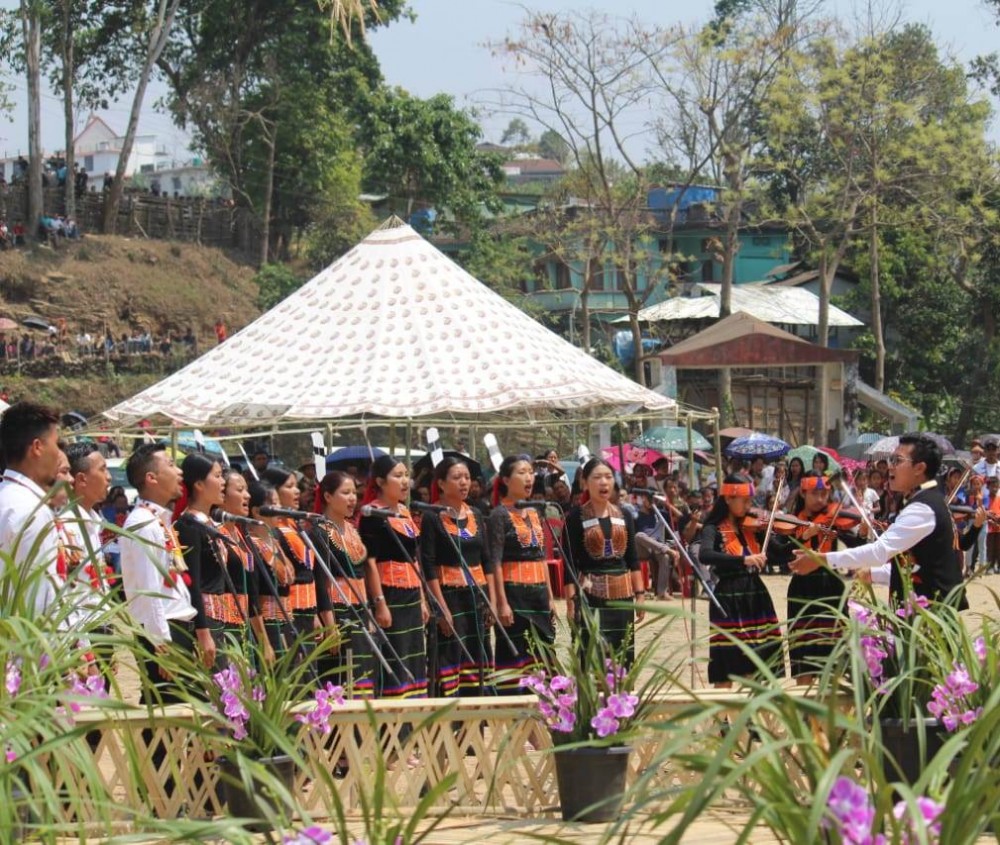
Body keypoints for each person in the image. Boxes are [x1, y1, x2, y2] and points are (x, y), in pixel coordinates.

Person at [791, 434, 968, 609]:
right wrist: (873, 574)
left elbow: (879, 552)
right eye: (891, 460)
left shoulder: (922, 508)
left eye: (897, 460)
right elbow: (915, 566)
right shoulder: (927, 501)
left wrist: (821, 559)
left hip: (930, 614)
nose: (890, 467)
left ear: (919, 468)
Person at [119, 443, 198, 690]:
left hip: (173, 625)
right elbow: (150, 590)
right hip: (164, 630)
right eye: (171, 465)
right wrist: (162, 644)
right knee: (170, 706)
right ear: (151, 478)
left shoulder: (157, 520)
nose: (179, 473)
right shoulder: (144, 523)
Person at [774, 472, 866, 682]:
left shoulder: (834, 519)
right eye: (815, 494)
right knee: (803, 655)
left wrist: (862, 532)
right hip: (802, 589)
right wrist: (803, 536)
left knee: (834, 655)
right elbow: (777, 555)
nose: (821, 499)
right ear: (803, 493)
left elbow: (857, 547)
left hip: (831, 587)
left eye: (825, 493)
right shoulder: (793, 521)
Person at [420, 456, 497, 697]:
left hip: (478, 596)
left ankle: (476, 718)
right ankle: (449, 723)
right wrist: (441, 608)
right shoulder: (432, 516)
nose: (464, 482)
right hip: (450, 597)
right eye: (456, 478)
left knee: (478, 653)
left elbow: (487, 560)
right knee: (450, 655)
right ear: (441, 484)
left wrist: (492, 601)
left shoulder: (475, 512)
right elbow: (428, 564)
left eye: (466, 477)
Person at [699, 475, 783, 686]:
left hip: (756, 595)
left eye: (750, 500)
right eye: (744, 500)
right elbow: (705, 555)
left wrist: (802, 536)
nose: (749, 506)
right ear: (728, 498)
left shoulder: (752, 527)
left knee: (760, 660)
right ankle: (722, 718)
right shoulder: (713, 528)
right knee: (727, 660)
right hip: (728, 596)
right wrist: (743, 559)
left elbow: (780, 553)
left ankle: (752, 715)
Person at [562, 458, 644, 666]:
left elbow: (633, 558)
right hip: (590, 595)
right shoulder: (575, 517)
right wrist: (571, 603)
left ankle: (621, 697)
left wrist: (640, 595)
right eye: (597, 477)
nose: (603, 483)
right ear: (585, 483)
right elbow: (569, 564)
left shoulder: (624, 514)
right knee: (592, 655)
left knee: (622, 655)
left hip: (622, 597)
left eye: (608, 477)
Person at [358, 455, 427, 699]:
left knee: (415, 653)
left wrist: (422, 599)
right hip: (390, 592)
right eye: (397, 476)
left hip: (411, 591)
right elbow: (370, 563)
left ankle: (417, 716)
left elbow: (415, 557)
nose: (405, 480)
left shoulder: (405, 511)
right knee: (396, 654)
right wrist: (380, 603)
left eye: (406, 475)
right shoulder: (373, 514)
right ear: (380, 481)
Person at [486, 455, 555, 692]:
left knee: (543, 653)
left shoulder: (535, 512)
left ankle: (543, 709)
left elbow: (541, 557)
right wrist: (500, 604)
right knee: (514, 655)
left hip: (538, 595)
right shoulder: (498, 515)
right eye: (522, 472)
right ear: (505, 479)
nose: (529, 477)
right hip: (514, 595)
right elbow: (494, 562)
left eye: (531, 472)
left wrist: (550, 597)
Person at [0, 402, 71, 619]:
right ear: (37, 447)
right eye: (56, 444)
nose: (59, 454)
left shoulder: (8, 497)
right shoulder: (32, 510)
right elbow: (39, 603)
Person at [310, 470, 374, 697]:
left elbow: (362, 573)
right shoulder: (319, 531)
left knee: (362, 672)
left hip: (359, 610)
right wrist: (330, 626)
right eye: (345, 493)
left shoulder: (352, 529)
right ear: (327, 497)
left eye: (354, 493)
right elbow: (321, 580)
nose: (352, 498)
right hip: (337, 611)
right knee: (339, 677)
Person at [172, 454, 236, 670]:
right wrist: (203, 632)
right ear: (199, 484)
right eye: (217, 476)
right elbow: (193, 583)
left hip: (219, 618)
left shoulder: (209, 523)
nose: (223, 482)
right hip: (205, 621)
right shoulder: (188, 525)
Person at [262, 466, 328, 642]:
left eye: (296, 486)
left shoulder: (296, 526)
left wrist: (313, 613)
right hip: (289, 613)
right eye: (289, 486)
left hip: (307, 611)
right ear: (274, 492)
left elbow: (309, 574)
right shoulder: (271, 531)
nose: (297, 491)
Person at [218, 467, 273, 663]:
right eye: (240, 490)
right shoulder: (213, 534)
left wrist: (264, 641)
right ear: (221, 495)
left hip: (244, 629)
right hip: (222, 630)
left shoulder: (243, 535)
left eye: (247, 490)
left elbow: (252, 594)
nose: (247, 496)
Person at [245, 480, 296, 656]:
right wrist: (264, 642)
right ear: (257, 511)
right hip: (266, 625)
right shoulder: (250, 545)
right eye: (273, 504)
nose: (279, 508)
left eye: (278, 503)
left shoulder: (276, 540)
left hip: (286, 621)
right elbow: (252, 597)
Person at [632, 490, 678, 600]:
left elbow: (679, 516)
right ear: (644, 500)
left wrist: (666, 504)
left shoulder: (661, 513)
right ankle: (666, 549)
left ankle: (661, 593)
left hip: (658, 547)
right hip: (643, 548)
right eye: (651, 500)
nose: (654, 502)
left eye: (655, 500)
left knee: (665, 557)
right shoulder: (636, 514)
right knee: (639, 535)